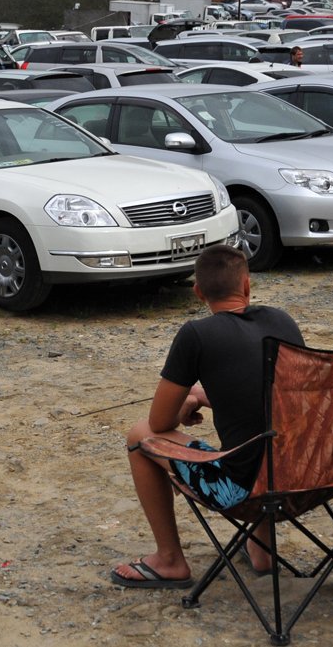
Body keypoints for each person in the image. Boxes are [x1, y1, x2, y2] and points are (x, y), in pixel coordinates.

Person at [111, 244, 302, 588]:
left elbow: (158, 424)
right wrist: (200, 396)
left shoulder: (196, 335)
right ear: (246, 285)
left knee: (139, 436)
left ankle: (169, 560)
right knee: (264, 436)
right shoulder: (281, 321)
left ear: (198, 292)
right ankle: (262, 552)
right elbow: (272, 399)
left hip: (241, 491)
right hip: (303, 476)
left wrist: (185, 404)